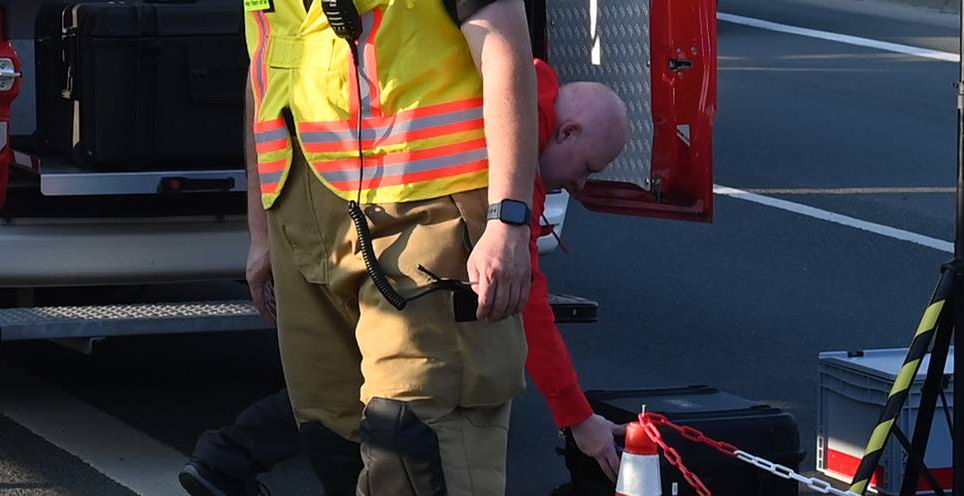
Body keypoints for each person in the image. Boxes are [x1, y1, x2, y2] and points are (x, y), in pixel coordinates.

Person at [239, 0, 539, 495]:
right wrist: (263, 233)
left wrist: (510, 218)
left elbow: (505, 52)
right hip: (310, 223)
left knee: (422, 453)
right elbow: (267, 72)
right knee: (336, 443)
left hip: (429, 224)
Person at [188, 78, 636, 495]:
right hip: (399, 257)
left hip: (327, 220)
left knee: (338, 387)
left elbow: (261, 87)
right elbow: (526, 303)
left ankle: (225, 459)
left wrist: (262, 237)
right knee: (411, 393)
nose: (580, 185)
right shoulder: (511, 139)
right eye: (586, 168)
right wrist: (578, 418)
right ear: (567, 132)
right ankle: (227, 458)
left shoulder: (495, 89)